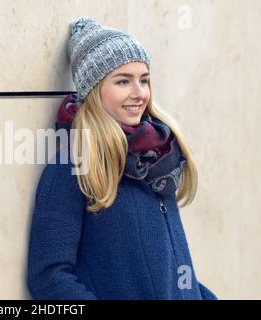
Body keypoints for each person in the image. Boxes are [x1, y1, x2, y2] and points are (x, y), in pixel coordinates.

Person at [26, 17, 218, 300]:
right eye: (123, 81)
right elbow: (49, 277)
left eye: (144, 80)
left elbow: (173, 272)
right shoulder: (73, 166)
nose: (139, 93)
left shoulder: (154, 159)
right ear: (94, 90)